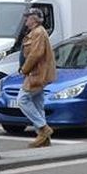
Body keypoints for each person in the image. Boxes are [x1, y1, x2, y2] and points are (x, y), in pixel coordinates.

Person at [16, 8, 56, 148]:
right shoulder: (36, 32)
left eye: (27, 17)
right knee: (38, 104)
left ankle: (43, 128)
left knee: (22, 99)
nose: (25, 20)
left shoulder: (38, 32)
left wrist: (25, 69)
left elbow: (35, 54)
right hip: (37, 73)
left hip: (37, 74)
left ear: (34, 19)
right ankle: (44, 138)